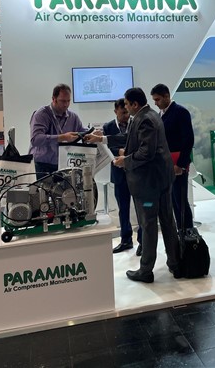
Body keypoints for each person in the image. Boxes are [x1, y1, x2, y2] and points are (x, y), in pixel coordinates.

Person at [87, 88, 181, 283]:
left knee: (148, 223)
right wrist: (102, 139)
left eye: (127, 105)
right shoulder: (150, 115)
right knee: (167, 221)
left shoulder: (144, 119)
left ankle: (146, 270)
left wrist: (125, 161)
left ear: (135, 104)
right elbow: (130, 138)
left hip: (149, 186)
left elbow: (146, 152)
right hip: (161, 181)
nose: (126, 108)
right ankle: (175, 263)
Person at [150, 83, 194, 230]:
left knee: (180, 201)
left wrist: (180, 164)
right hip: (165, 163)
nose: (156, 103)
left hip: (177, 163)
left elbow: (188, 140)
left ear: (167, 96)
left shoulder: (180, 112)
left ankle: (187, 233)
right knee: (173, 201)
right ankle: (180, 232)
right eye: (154, 100)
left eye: (157, 99)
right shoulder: (160, 115)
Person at [103, 99, 142, 255]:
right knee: (123, 209)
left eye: (127, 112)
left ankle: (143, 241)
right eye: (123, 112)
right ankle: (126, 240)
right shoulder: (108, 127)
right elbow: (106, 147)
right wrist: (119, 151)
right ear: (115, 112)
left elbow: (140, 145)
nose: (126, 115)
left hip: (136, 173)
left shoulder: (136, 123)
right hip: (119, 174)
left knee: (140, 209)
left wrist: (127, 153)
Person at [29, 83, 90, 179]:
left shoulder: (73, 117)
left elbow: (82, 132)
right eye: (62, 101)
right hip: (41, 166)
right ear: (54, 99)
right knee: (42, 189)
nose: (66, 104)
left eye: (68, 101)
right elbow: (35, 139)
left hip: (63, 165)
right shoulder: (42, 114)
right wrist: (62, 137)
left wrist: (93, 133)